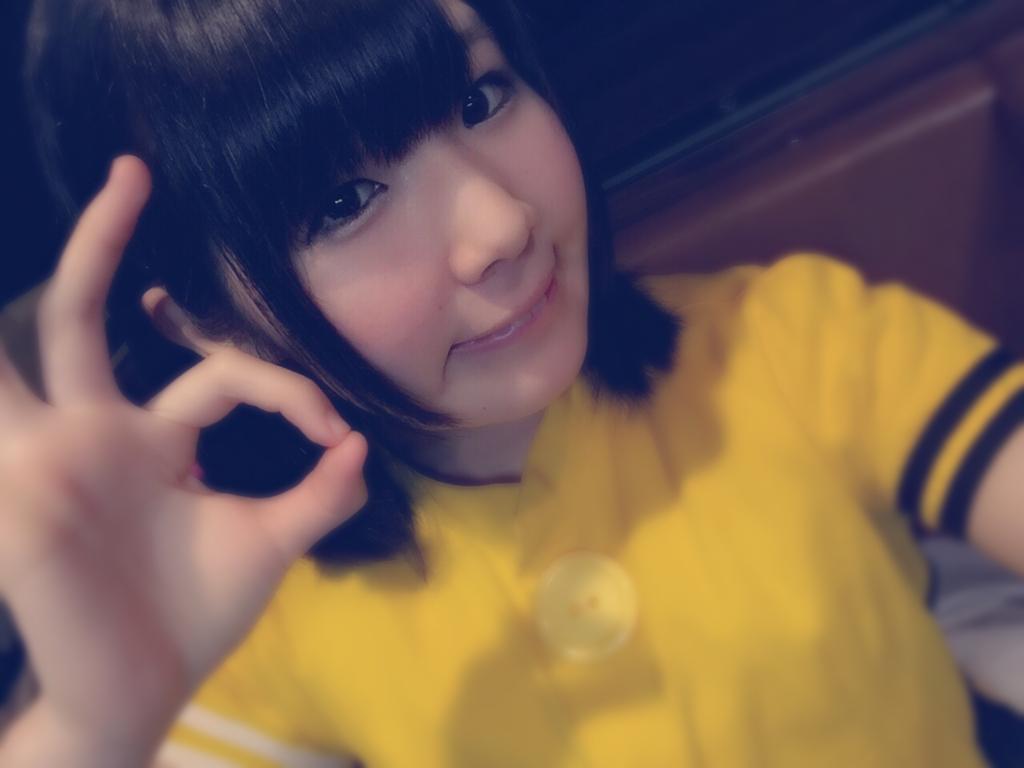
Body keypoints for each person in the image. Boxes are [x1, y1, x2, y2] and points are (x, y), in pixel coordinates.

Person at [2, 0, 1024, 765]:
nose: (499, 225)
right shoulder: (250, 600)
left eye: (479, 98)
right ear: (213, 325)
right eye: (345, 201)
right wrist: (93, 729)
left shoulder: (791, 343)